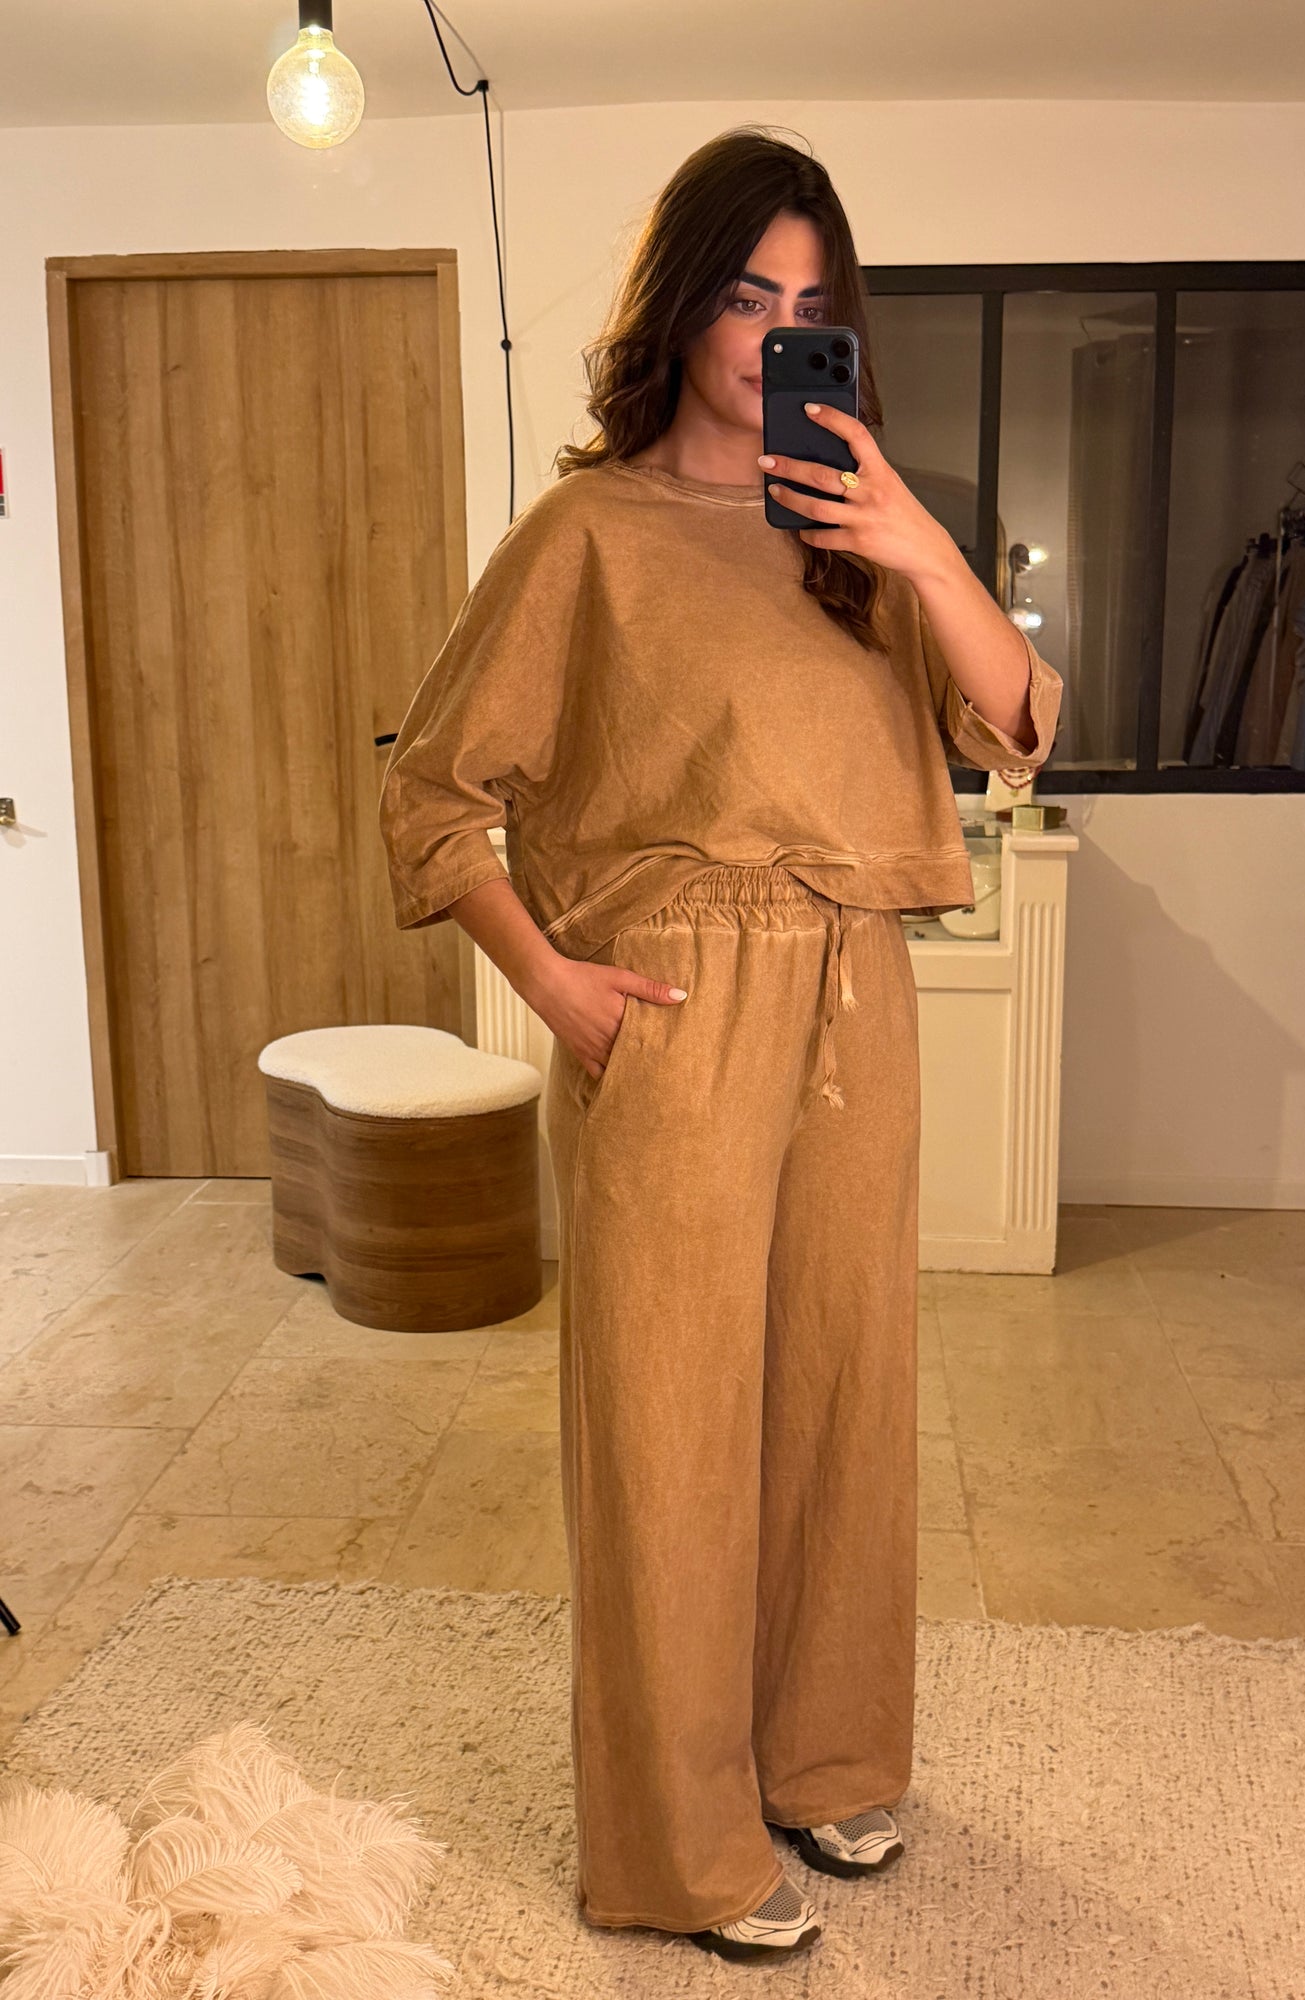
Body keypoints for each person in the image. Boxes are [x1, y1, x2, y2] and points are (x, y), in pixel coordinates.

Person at [378, 124, 1063, 1964]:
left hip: (857, 992)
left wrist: (913, 541)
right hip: (671, 1008)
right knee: (672, 1428)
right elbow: (434, 795)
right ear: (682, 308)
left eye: (811, 303)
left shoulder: (861, 535)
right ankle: (676, 1850)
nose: (775, 334)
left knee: (841, 1394)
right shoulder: (587, 536)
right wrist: (553, 984)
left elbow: (1019, 721)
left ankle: (823, 1758)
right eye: (747, 296)